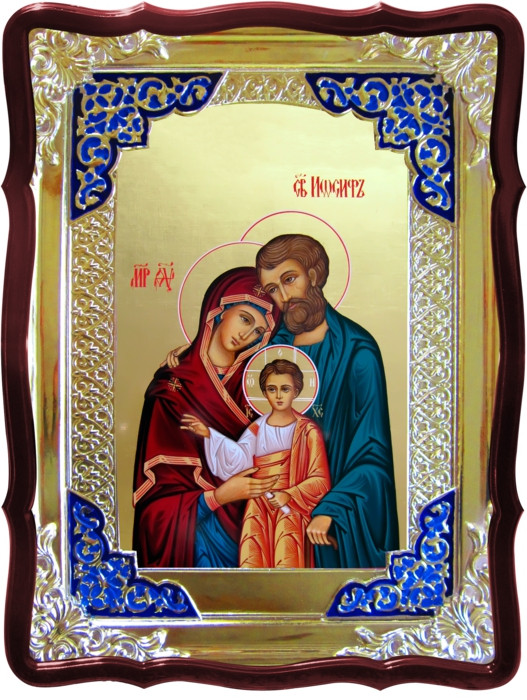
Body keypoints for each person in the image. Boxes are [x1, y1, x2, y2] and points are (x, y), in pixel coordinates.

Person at [256, 234, 399, 569]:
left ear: (314, 274)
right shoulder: (269, 350)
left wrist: (332, 508)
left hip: (326, 512)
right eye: (273, 288)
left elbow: (372, 454)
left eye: (289, 279)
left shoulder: (358, 352)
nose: (284, 296)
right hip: (274, 514)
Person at [132, 267, 281, 568]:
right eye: (245, 319)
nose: (246, 335)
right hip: (194, 538)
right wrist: (218, 496)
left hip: (252, 531)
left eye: (258, 332)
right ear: (218, 310)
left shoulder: (258, 389)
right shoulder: (171, 389)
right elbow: (155, 504)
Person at [182, 359, 330, 568]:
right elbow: (238, 458)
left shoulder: (308, 431)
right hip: (258, 506)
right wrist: (209, 434)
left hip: (290, 509)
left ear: (296, 391)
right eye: (272, 389)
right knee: (253, 561)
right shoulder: (257, 427)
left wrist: (289, 494)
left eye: (285, 389)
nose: (278, 396)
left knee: (286, 560)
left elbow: (320, 480)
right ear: (264, 392)